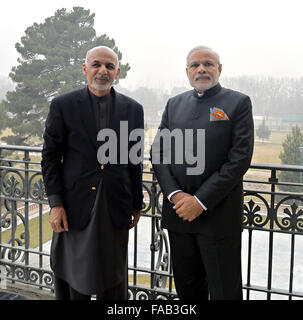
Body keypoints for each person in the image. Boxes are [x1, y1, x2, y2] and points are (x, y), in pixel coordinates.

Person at [151, 45, 254, 300]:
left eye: (208, 64)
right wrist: (175, 195)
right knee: (188, 291)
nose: (201, 69)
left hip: (218, 218)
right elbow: (158, 153)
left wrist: (200, 201)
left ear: (219, 69)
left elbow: (239, 159)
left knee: (224, 291)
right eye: (195, 65)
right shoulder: (174, 104)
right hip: (179, 217)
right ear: (187, 71)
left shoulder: (238, 102)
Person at [41, 46, 144, 300]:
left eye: (109, 66)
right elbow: (51, 157)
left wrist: (136, 203)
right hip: (74, 206)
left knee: (114, 275)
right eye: (96, 64)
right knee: (75, 274)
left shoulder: (133, 109)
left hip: (115, 204)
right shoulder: (63, 105)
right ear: (84, 69)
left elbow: (135, 160)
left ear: (117, 72)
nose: (102, 71)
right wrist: (55, 204)